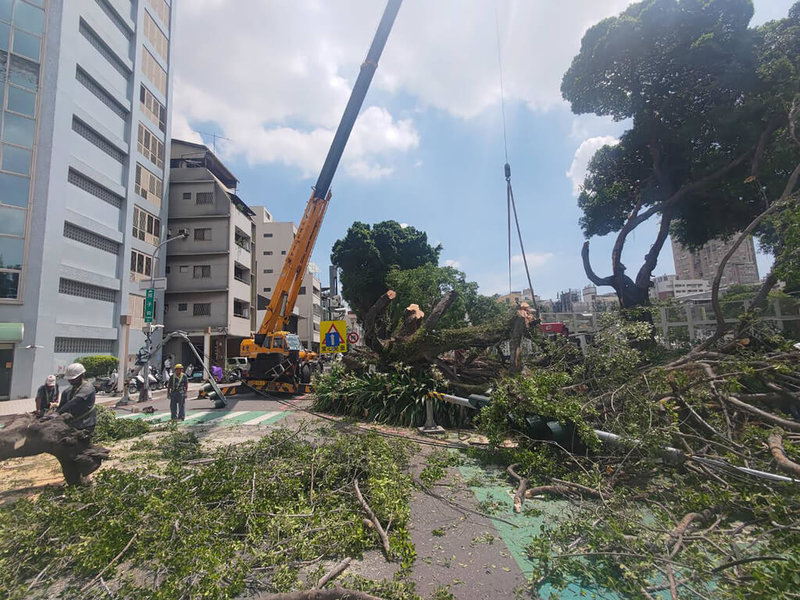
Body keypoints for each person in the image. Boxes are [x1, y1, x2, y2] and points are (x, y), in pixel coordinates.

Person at [57, 363, 97, 437]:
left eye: (74, 379)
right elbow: (62, 405)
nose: (71, 381)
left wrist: (57, 413)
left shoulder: (88, 388)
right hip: (73, 423)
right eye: (70, 379)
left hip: (86, 424)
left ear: (82, 376)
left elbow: (75, 401)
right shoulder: (67, 391)